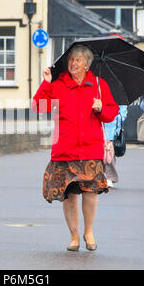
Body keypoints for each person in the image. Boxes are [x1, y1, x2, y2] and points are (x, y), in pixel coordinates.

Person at [32, 45, 119, 252]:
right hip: (65, 148)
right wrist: (46, 83)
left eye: (78, 60)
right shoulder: (59, 84)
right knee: (69, 194)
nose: (73, 63)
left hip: (90, 149)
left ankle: (88, 231)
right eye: (71, 60)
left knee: (90, 192)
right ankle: (74, 236)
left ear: (87, 64)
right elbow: (38, 106)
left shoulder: (99, 85)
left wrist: (101, 108)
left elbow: (111, 113)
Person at [104, 105, 127, 188]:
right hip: (100, 127)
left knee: (109, 155)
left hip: (111, 129)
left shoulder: (118, 98)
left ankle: (109, 177)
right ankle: (104, 177)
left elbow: (122, 114)